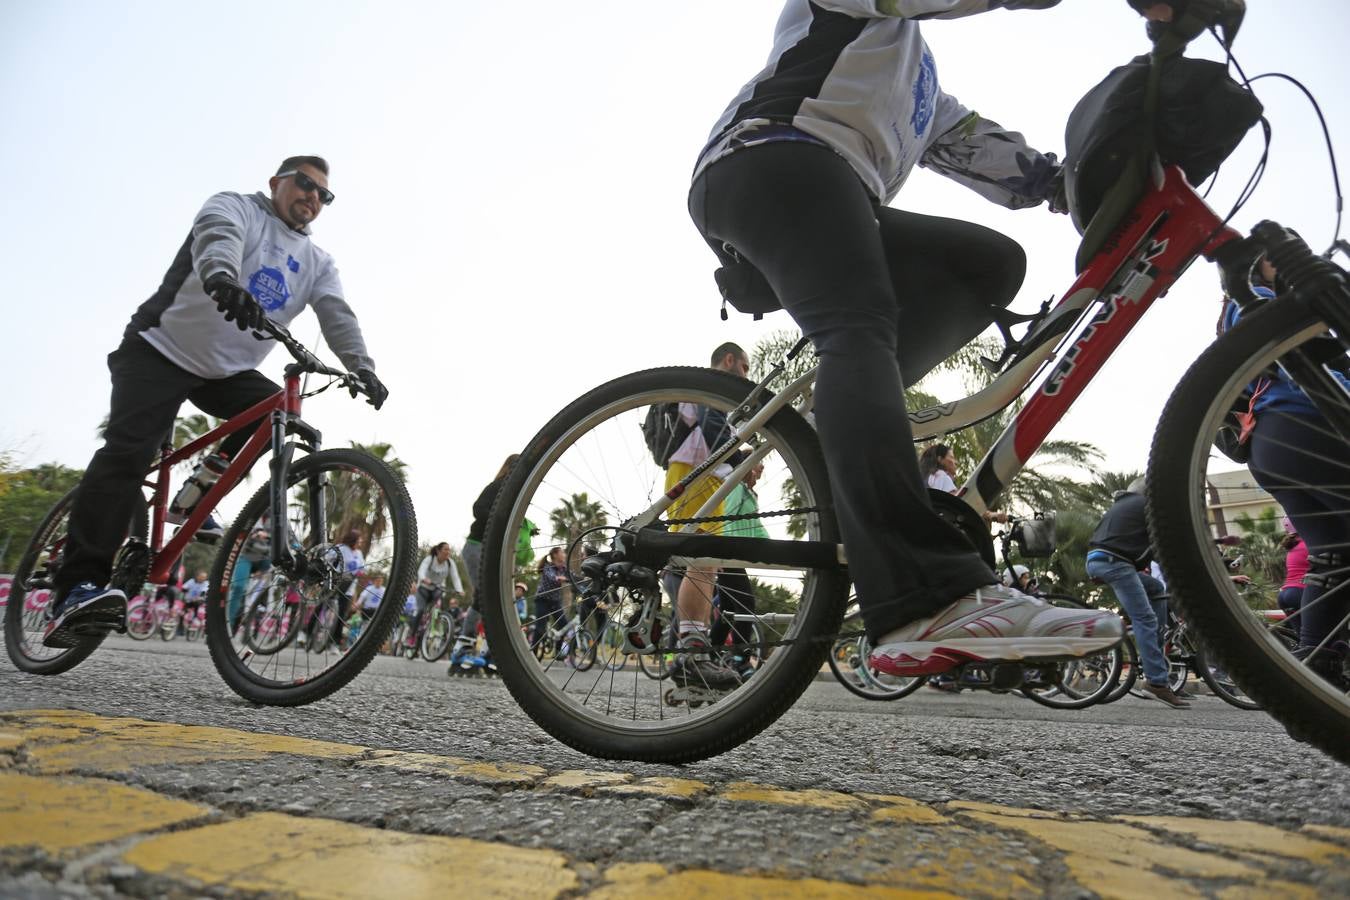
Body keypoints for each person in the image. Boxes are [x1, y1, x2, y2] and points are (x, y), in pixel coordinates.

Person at [686, 0, 1135, 678]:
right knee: (856, 327)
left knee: (989, 266)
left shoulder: (918, 82)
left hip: (838, 192)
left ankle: (849, 415)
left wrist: (1064, 181)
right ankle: (922, 600)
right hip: (769, 157)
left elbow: (981, 148)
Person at [43, 155, 389, 648]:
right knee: (128, 454)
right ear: (276, 183)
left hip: (225, 372)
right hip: (159, 349)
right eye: (304, 185)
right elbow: (216, 235)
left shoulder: (318, 263)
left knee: (276, 408)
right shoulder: (236, 207)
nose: (312, 197)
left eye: (323, 194)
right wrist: (222, 277)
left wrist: (363, 367)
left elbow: (337, 313)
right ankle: (75, 589)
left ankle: (197, 493)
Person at [1221, 257, 1350, 681]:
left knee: (1333, 552)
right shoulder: (1257, 299)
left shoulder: (1243, 307)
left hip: (1273, 445)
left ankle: (1317, 672)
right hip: (1310, 421)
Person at [663, 343, 754, 690]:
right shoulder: (711, 384)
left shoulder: (708, 388)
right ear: (729, 360)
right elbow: (712, 424)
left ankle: (696, 654)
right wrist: (738, 461)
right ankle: (690, 655)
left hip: (705, 474)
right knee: (701, 561)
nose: (746, 375)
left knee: (707, 562)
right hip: (694, 472)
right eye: (744, 367)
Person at [1084, 478, 1188, 708]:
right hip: (1114, 562)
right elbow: (1161, 547)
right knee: (1145, 618)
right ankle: (1156, 683)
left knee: (1156, 588)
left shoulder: (1123, 506)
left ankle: (1156, 638)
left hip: (1098, 559)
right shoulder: (1146, 507)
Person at [450, 454, 520, 672]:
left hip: (494, 551)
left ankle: (489, 651)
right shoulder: (497, 486)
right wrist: (498, 516)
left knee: (497, 599)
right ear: (510, 468)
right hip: (476, 546)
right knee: (482, 595)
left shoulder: (516, 495)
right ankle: (463, 645)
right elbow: (477, 508)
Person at [412, 542, 463, 649]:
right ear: (438, 551)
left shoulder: (450, 563)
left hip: (437, 588)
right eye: (445, 549)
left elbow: (455, 577)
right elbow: (421, 571)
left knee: (437, 610)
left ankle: (432, 626)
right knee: (421, 610)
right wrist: (424, 579)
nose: (448, 552)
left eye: (449, 549)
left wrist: (459, 590)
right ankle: (412, 635)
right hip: (424, 588)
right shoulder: (430, 559)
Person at [532, 547, 570, 649]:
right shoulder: (547, 567)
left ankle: (558, 651)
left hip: (555, 602)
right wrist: (559, 578)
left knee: (564, 625)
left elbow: (572, 577)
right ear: (555, 555)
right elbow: (552, 577)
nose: (564, 554)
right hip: (542, 600)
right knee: (540, 629)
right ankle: (533, 653)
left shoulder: (564, 569)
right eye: (562, 552)